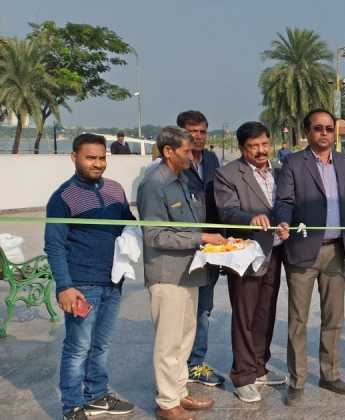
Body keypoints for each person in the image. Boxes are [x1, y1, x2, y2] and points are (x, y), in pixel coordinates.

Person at [273, 109, 345, 405]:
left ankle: (329, 374)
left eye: (328, 128)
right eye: (318, 128)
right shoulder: (293, 163)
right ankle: (297, 380)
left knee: (334, 318)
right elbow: (284, 201)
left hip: (337, 250)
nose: (324, 133)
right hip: (302, 251)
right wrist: (283, 221)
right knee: (298, 320)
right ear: (307, 132)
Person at [45, 133, 136, 420]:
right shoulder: (62, 197)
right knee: (77, 347)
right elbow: (54, 245)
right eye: (90, 158)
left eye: (102, 157)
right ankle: (72, 405)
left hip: (112, 281)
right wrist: (65, 286)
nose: (97, 164)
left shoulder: (115, 190)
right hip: (82, 285)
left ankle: (96, 395)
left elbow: (129, 224)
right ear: (74, 157)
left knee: (102, 344)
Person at [137, 127, 224, 420]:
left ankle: (179, 393)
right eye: (186, 151)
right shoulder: (153, 184)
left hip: (190, 271)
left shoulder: (182, 180)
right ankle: (166, 403)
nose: (191, 155)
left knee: (185, 338)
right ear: (168, 151)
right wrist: (200, 239)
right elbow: (154, 236)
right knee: (168, 342)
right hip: (167, 273)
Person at [213, 121, 289, 403]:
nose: (261, 151)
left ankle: (259, 366)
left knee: (266, 312)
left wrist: (285, 222)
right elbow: (228, 212)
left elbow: (286, 203)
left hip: (276, 250)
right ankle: (242, 375)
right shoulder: (227, 174)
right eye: (254, 146)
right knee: (245, 315)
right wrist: (250, 219)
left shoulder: (280, 172)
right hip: (246, 252)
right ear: (243, 148)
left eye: (264, 144)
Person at [176, 110, 225, 387]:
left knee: (204, 308)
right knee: (180, 310)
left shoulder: (212, 160)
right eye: (191, 131)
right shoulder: (170, 165)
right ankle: (175, 367)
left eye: (202, 131)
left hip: (210, 248)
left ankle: (196, 363)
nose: (197, 136)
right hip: (181, 249)